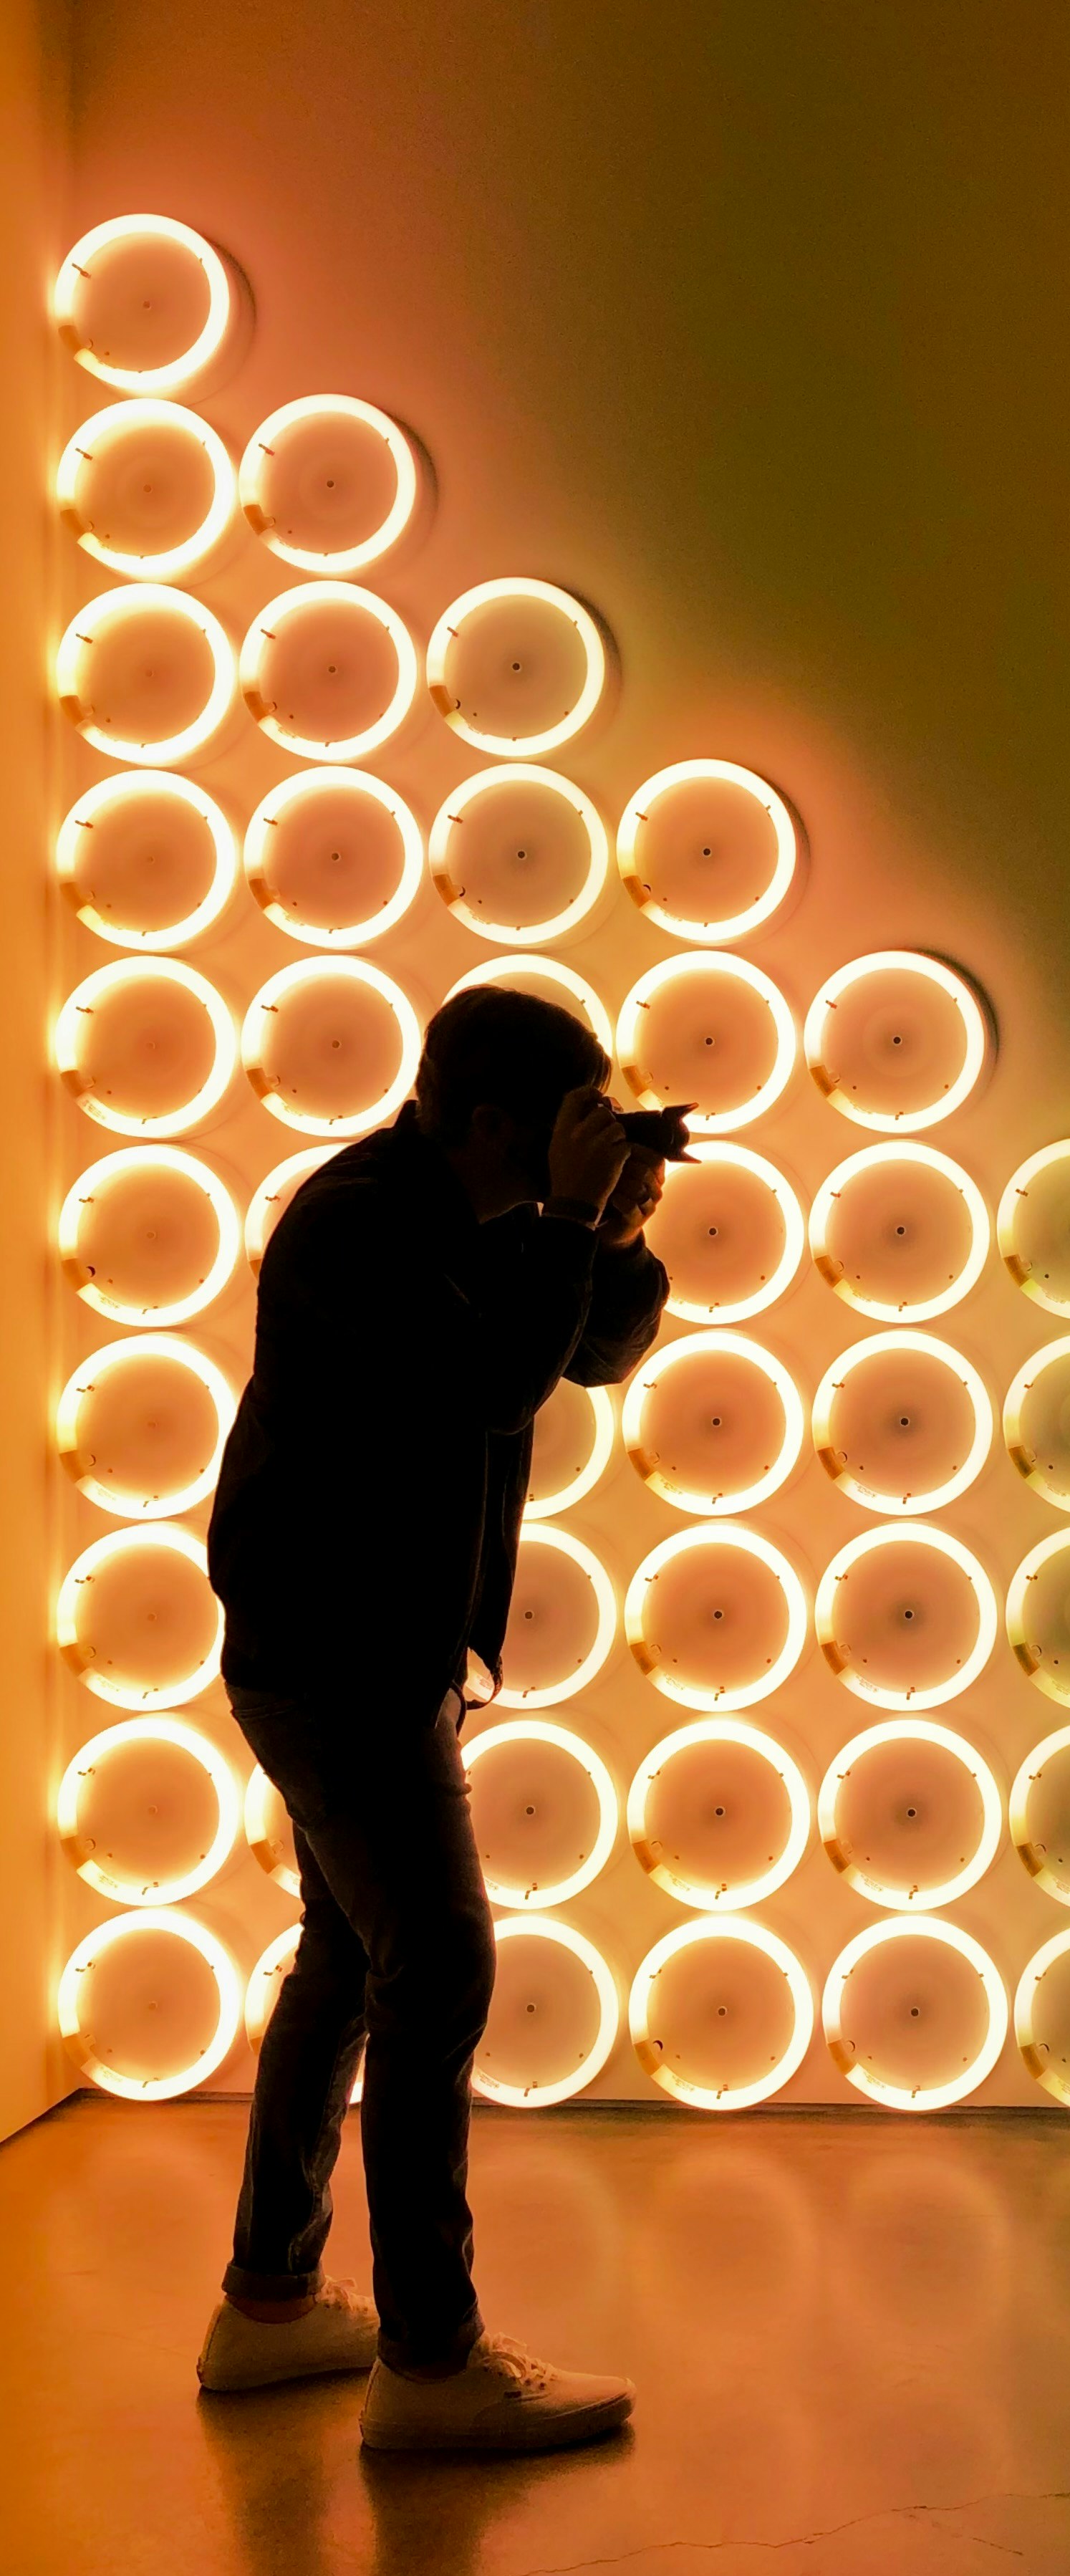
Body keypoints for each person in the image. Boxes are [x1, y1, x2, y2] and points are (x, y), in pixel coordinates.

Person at [193, 987, 676, 2453]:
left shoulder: (480, 1213)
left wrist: (618, 1233)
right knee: (439, 1971)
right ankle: (429, 2362)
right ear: (485, 1124)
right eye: (563, 1132)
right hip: (332, 1658)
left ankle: (269, 2308)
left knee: (350, 1955)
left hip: (367, 1650)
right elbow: (486, 1377)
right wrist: (564, 1228)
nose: (578, 1155)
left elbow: (586, 1355)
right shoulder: (360, 1222)